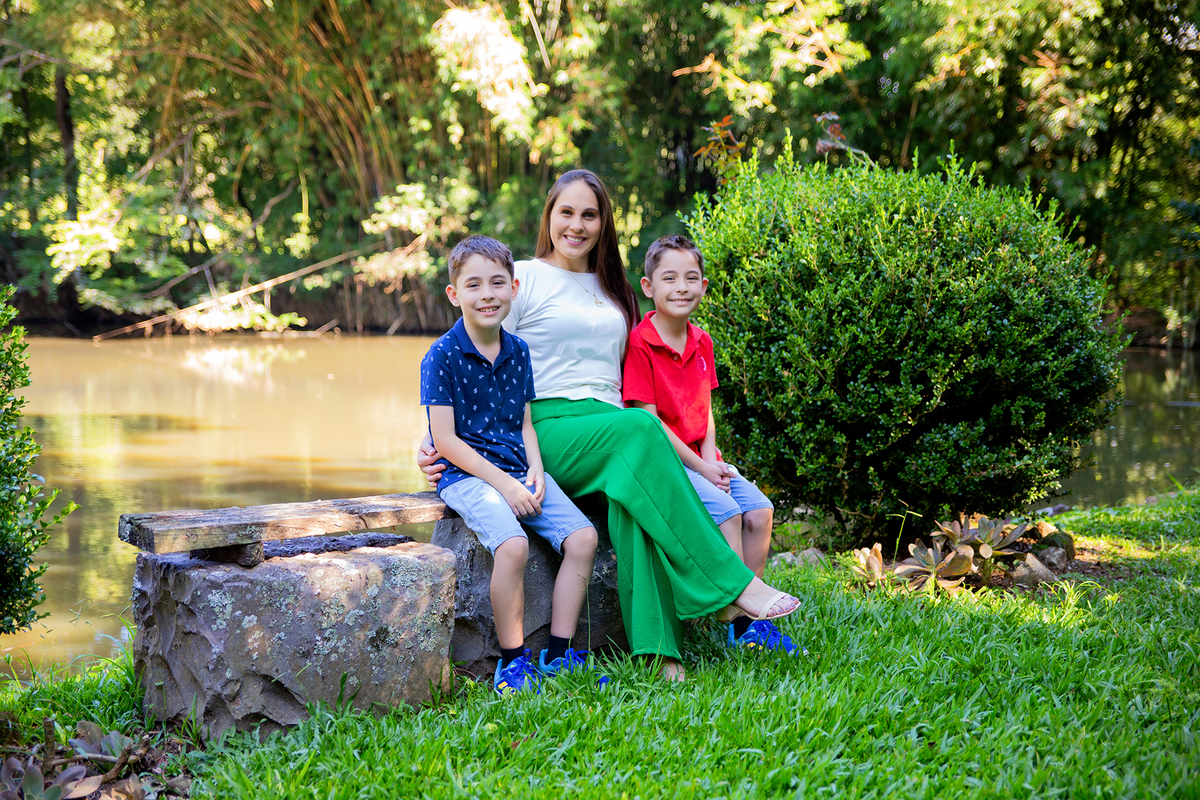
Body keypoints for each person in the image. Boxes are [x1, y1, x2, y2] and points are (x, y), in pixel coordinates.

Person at [421, 170, 799, 681]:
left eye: (590, 214)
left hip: (612, 432)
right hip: (551, 426)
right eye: (566, 212)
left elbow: (635, 375)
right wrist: (431, 439)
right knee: (638, 433)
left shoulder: (618, 289)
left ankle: (661, 654)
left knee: (632, 501)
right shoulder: (522, 277)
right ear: (549, 216)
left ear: (604, 224)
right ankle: (734, 588)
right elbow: (468, 352)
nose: (577, 225)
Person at [420, 235, 605, 695]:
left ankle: (559, 655)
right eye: (475, 285)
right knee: (513, 545)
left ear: (514, 288)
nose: (487, 295)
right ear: (454, 293)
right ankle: (512, 663)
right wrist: (506, 486)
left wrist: (537, 469)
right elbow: (444, 440)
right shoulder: (441, 356)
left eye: (498, 283)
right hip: (467, 476)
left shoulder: (519, 350)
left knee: (583, 539)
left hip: (520, 471)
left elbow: (525, 423)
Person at [622, 234, 800, 655]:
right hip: (666, 461)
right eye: (669, 278)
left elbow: (705, 410)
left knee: (759, 509)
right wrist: (700, 469)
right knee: (728, 511)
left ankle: (745, 622)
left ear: (703, 286)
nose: (681, 287)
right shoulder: (639, 343)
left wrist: (711, 460)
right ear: (649, 287)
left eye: (691, 278)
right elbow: (648, 420)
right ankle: (732, 608)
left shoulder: (702, 342)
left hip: (702, 459)